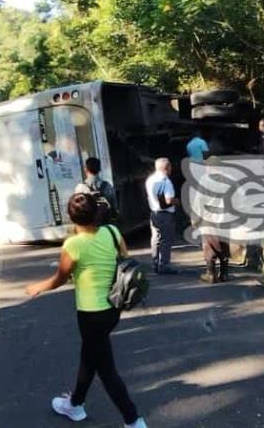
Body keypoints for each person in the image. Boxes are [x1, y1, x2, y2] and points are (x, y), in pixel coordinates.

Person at [25, 193, 147, 428]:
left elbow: (60, 278)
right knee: (90, 357)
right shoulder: (112, 232)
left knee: (106, 371)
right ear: (96, 212)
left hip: (91, 314)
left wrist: (37, 287)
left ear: (71, 217)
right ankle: (75, 404)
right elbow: (124, 260)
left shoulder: (73, 244)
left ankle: (134, 421)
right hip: (113, 308)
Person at [145, 158, 179, 274]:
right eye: (170, 167)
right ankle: (164, 265)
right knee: (166, 240)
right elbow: (168, 200)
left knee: (155, 239)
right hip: (165, 214)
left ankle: (155, 263)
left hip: (154, 213)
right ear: (167, 168)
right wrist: (176, 201)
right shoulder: (166, 181)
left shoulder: (150, 180)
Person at [81, 157, 118, 224]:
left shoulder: (80, 188)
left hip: (90, 229)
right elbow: (115, 208)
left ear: (85, 169)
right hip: (106, 226)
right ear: (100, 169)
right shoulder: (108, 186)